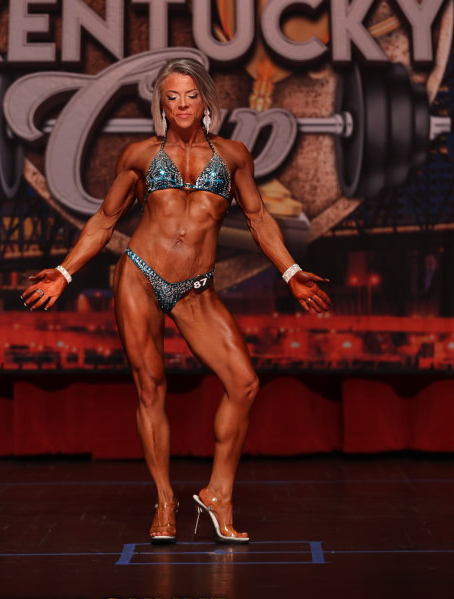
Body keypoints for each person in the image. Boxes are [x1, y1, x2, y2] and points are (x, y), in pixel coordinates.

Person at [20, 58, 331, 544]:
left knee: (244, 383)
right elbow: (105, 220)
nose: (182, 104)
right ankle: (164, 500)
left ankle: (218, 494)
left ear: (204, 100)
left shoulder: (233, 156)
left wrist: (291, 272)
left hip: (196, 287)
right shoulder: (140, 156)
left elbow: (258, 218)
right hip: (140, 276)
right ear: (161, 104)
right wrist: (64, 272)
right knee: (150, 386)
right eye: (172, 96)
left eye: (190, 95)